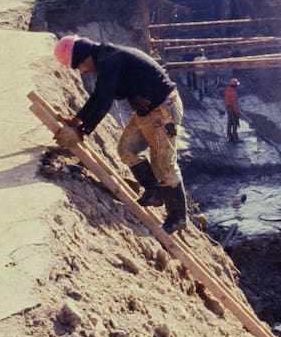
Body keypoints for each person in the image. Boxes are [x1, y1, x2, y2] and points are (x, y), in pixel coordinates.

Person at [52, 35, 189, 234]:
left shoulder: (111, 60)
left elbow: (105, 100)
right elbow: (98, 95)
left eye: (78, 66)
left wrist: (83, 131)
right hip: (148, 111)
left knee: (164, 164)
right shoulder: (107, 58)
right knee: (126, 149)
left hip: (163, 109)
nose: (82, 71)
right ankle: (154, 192)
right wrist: (77, 120)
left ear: (84, 57)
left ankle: (177, 217)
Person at [223, 77, 241, 143]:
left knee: (229, 123)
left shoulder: (227, 90)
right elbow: (235, 104)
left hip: (228, 108)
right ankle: (235, 138)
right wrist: (237, 113)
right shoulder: (233, 94)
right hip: (232, 109)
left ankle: (229, 136)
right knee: (235, 123)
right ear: (235, 85)